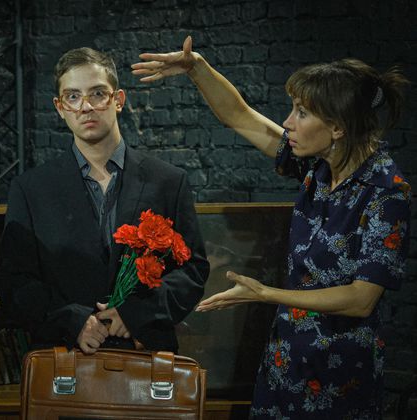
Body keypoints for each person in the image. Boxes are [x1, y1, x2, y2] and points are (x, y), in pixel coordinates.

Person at [132, 36, 411, 418]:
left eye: (301, 113)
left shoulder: (385, 191)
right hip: (286, 358)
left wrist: (265, 294)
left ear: (337, 128)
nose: (287, 122)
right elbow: (240, 116)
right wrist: (196, 68)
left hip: (340, 373)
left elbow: (361, 299)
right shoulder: (317, 165)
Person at [0, 47, 209, 354]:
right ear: (59, 107)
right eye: (73, 96)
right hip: (64, 354)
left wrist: (136, 313)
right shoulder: (30, 189)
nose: (86, 107)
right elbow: (14, 283)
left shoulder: (168, 181)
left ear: (118, 100)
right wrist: (73, 321)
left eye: (97, 94)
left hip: (146, 353)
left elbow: (192, 271)